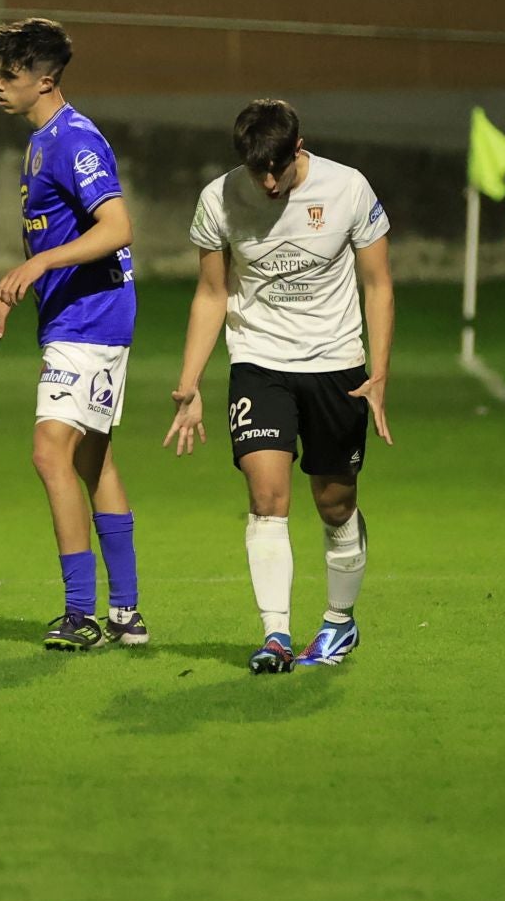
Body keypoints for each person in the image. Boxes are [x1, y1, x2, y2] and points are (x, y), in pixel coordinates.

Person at [165, 99, 394, 672]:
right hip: (259, 362)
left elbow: (379, 284)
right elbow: (212, 294)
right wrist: (189, 383)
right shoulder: (218, 199)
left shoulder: (349, 189)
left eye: (277, 168)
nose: (268, 181)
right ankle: (276, 637)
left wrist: (380, 374)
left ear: (299, 148)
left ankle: (339, 623)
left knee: (335, 503)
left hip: (337, 365)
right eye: (255, 169)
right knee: (267, 497)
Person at [0, 19, 146, 651]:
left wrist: (40, 264)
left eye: (9, 75)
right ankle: (126, 612)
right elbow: (53, 234)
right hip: (76, 315)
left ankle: (81, 614)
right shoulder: (41, 141)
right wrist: (9, 295)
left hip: (93, 315)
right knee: (90, 456)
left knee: (50, 451)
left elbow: (117, 227)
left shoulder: (75, 139)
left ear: (44, 80)